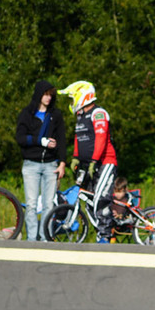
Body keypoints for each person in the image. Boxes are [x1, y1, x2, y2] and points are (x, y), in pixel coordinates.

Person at [59, 80, 118, 243]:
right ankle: (102, 232)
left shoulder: (98, 113)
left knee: (100, 199)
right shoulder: (80, 116)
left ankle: (106, 236)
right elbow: (79, 137)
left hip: (105, 162)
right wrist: (75, 157)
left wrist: (94, 161)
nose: (72, 103)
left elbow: (101, 139)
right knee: (89, 201)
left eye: (73, 98)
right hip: (88, 164)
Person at [15, 80, 67, 241]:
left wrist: (62, 163)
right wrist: (41, 141)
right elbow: (20, 138)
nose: (48, 98)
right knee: (31, 204)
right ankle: (32, 239)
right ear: (38, 95)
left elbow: (62, 139)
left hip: (51, 165)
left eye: (51, 95)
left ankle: (45, 238)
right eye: (45, 94)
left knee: (48, 204)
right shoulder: (26, 114)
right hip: (31, 165)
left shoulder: (56, 115)